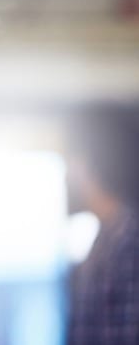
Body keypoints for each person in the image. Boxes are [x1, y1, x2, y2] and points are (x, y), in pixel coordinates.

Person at [64, 108, 139, 345]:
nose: (65, 175)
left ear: (85, 165)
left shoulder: (129, 242)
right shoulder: (107, 238)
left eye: (69, 162)